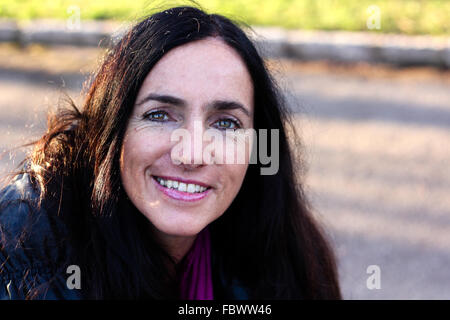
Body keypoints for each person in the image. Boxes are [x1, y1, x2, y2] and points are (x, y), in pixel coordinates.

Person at [0, 5, 341, 299]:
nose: (192, 155)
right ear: (111, 129)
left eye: (225, 123)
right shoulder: (22, 260)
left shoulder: (284, 254)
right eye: (159, 115)